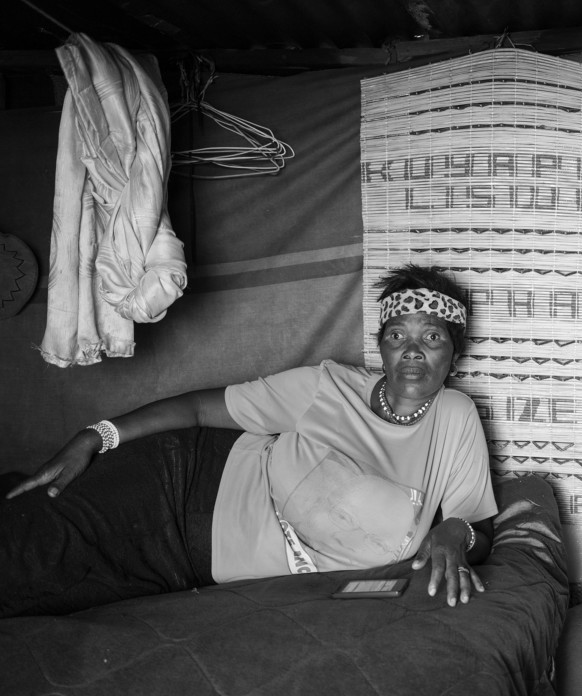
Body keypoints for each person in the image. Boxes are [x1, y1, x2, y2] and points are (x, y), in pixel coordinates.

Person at [2, 264, 496, 617]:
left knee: (42, 600)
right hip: (178, 484)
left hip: (191, 567)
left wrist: (454, 532)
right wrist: (97, 435)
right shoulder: (327, 385)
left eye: (432, 337)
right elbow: (199, 409)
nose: (412, 350)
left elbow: (474, 528)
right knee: (24, 553)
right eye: (397, 336)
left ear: (454, 356)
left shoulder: (455, 417)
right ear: (382, 349)